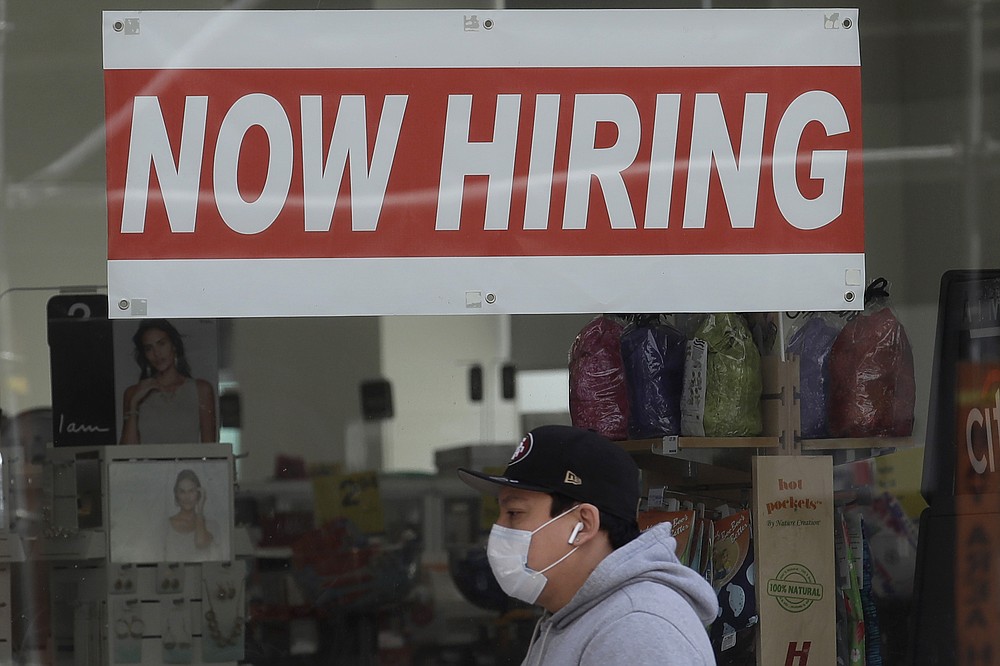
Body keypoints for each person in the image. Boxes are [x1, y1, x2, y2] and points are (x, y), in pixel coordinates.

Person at [458, 425, 718, 665]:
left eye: (514, 513)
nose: (500, 529)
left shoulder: (636, 630)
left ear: (583, 524)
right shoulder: (576, 617)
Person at [119, 319, 217, 444]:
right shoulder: (133, 393)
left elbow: (210, 450)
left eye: (161, 344)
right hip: (146, 463)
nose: (157, 353)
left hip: (190, 463)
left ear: (174, 345)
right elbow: (127, 455)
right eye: (149, 348)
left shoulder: (201, 389)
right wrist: (134, 404)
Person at [165, 469, 219, 561]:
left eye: (191, 491)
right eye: (182, 491)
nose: (187, 497)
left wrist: (200, 510)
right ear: (176, 494)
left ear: (199, 493)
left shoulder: (212, 525)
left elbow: (200, 543)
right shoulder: (165, 526)